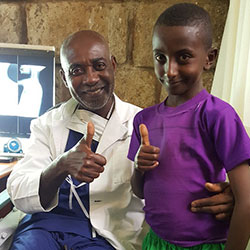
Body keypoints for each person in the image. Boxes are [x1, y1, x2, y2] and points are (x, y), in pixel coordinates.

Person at [7, 30, 234, 250]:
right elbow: (18, 191)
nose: (91, 78)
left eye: (99, 65)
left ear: (113, 66)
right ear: (64, 78)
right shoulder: (47, 124)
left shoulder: (145, 123)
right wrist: (61, 165)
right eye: (76, 70)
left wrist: (229, 194)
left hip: (107, 236)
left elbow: (181, 180)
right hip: (43, 230)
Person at [128, 3, 250, 250]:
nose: (169, 70)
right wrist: (140, 167)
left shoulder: (218, 115)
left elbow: (246, 200)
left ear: (209, 58)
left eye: (183, 57)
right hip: (156, 243)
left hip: (206, 244)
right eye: (160, 58)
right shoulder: (144, 120)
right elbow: (139, 192)